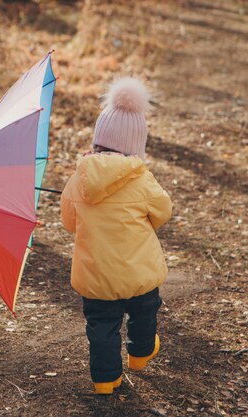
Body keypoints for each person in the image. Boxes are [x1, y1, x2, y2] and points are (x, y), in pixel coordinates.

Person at [60, 77, 173, 394]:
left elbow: (69, 221)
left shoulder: (80, 179)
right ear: (137, 145)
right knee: (144, 312)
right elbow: (163, 211)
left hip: (97, 278)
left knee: (102, 327)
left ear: (97, 140)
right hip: (139, 273)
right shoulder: (141, 178)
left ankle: (105, 380)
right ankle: (140, 354)